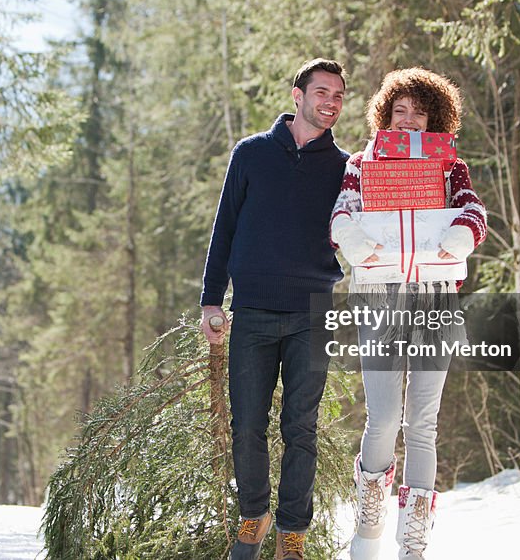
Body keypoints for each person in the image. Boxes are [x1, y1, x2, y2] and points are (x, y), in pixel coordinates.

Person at [329, 68, 487, 560]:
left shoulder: (448, 166)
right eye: (401, 110)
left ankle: (414, 539)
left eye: (420, 112)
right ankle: (369, 526)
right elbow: (342, 213)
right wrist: (358, 243)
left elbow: (473, 210)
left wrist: (459, 234)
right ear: (386, 114)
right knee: (383, 417)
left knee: (423, 419)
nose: (410, 119)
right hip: (380, 294)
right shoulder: (362, 162)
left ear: (434, 118)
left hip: (436, 294)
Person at [200, 58, 350, 560]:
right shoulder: (251, 154)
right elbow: (224, 228)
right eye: (321, 92)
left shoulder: (346, 168)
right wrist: (210, 300)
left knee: (300, 426)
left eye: (338, 96)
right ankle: (253, 515)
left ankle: (292, 531)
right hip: (256, 310)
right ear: (297, 95)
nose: (330, 103)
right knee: (247, 422)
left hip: (313, 311)